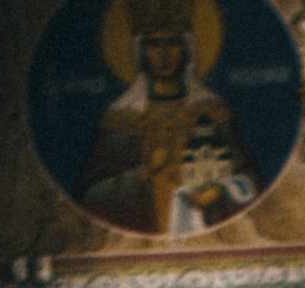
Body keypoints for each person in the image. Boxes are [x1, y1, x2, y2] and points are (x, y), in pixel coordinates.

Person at [77, 0, 260, 235]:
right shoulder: (123, 118)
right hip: (142, 241)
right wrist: (144, 173)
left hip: (207, 238)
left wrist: (220, 192)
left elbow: (249, 179)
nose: (163, 54)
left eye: (172, 42)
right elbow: (90, 193)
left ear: (187, 49)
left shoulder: (210, 112)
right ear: (140, 51)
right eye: (154, 44)